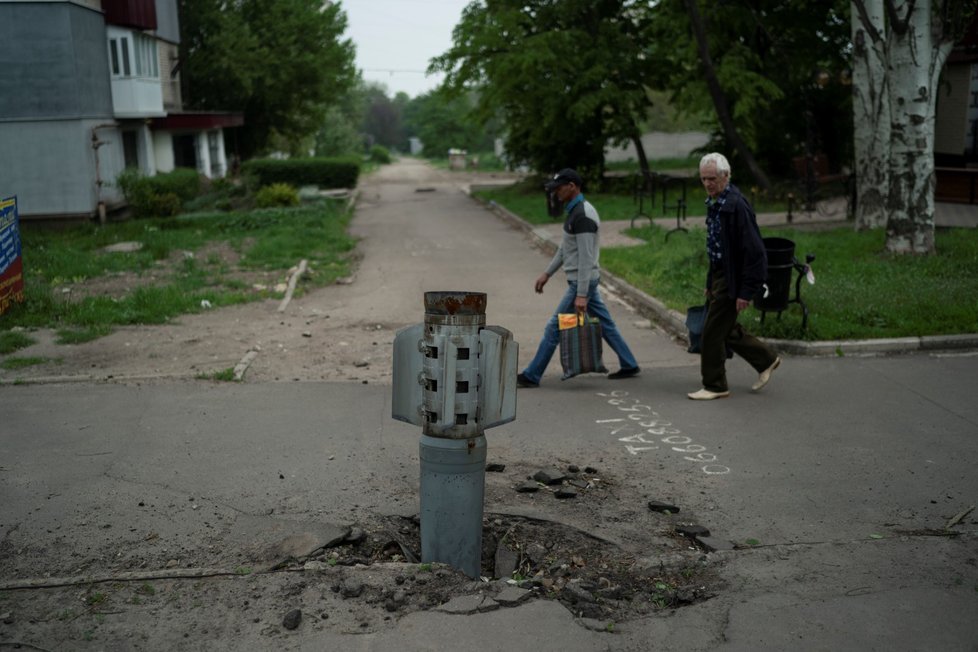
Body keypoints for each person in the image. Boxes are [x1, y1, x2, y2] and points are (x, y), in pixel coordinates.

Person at [517, 168, 640, 388]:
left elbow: (586, 259)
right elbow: (565, 249)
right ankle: (629, 363)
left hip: (583, 282)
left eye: (559, 188)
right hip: (583, 281)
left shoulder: (583, 215)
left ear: (572, 186)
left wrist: (581, 294)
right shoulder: (574, 211)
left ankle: (532, 375)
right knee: (605, 323)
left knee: (553, 328)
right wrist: (547, 273)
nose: (555, 193)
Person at [688, 153, 781, 400]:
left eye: (712, 179)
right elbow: (716, 249)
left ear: (726, 176)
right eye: (704, 179)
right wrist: (710, 282)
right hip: (721, 274)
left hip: (734, 279)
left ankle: (715, 386)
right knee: (725, 328)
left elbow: (755, 252)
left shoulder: (736, 206)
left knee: (711, 333)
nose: (708, 184)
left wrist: (745, 291)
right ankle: (766, 360)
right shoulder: (716, 203)